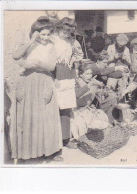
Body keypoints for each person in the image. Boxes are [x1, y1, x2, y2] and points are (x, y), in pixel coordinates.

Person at [11, 16, 63, 161]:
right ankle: (27, 153)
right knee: (28, 118)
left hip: (44, 83)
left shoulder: (51, 47)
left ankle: (48, 151)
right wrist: (31, 41)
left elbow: (51, 66)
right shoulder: (28, 44)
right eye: (42, 34)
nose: (46, 38)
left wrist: (35, 62)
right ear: (35, 33)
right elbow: (16, 56)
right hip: (27, 83)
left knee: (45, 118)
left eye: (48, 34)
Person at [52, 17, 84, 149]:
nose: (66, 34)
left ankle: (65, 139)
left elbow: (79, 54)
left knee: (65, 107)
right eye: (64, 31)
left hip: (66, 72)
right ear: (59, 28)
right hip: (54, 72)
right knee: (53, 107)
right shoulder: (52, 40)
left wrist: (72, 62)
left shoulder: (71, 42)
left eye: (69, 32)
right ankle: (53, 139)